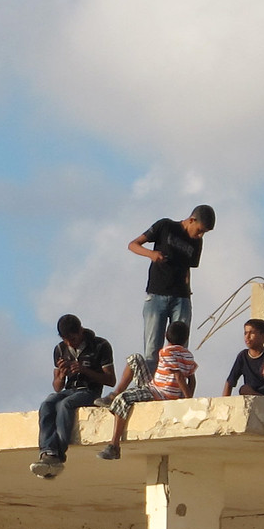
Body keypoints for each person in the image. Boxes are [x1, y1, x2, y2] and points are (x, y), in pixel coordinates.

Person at [94, 318, 198, 460]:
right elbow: (191, 378)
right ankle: (114, 394)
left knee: (123, 399)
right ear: (186, 338)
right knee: (135, 359)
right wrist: (188, 397)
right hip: (155, 387)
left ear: (166, 336)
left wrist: (186, 400)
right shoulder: (188, 355)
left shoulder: (166, 352)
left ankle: (114, 445)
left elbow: (179, 376)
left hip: (158, 393)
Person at [127, 205, 215, 364]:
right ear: (191, 220)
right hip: (156, 295)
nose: (200, 235)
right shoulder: (165, 226)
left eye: (204, 233)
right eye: (199, 230)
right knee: (152, 349)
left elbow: (188, 267)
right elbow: (133, 244)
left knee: (179, 350)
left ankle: (174, 386)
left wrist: (188, 290)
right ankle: (150, 386)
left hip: (181, 298)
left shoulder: (197, 242)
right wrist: (151, 254)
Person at [30, 314, 115, 478]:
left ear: (81, 331)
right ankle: (46, 451)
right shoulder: (60, 349)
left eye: (73, 339)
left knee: (65, 405)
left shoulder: (100, 345)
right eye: (66, 340)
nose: (70, 343)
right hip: (69, 390)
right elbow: (57, 387)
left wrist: (84, 370)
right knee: (47, 403)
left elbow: (110, 380)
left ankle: (57, 453)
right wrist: (62, 375)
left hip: (90, 391)